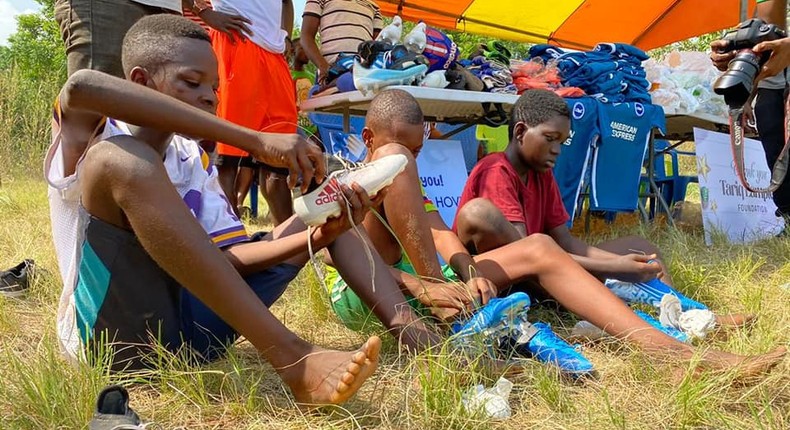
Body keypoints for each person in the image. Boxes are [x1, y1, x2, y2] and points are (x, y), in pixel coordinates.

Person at [327, 89, 786, 376]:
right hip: (376, 292)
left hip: (440, 291)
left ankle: (669, 350)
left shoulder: (420, 186)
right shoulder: (343, 185)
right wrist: (420, 286)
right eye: (397, 148)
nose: (410, 159)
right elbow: (333, 254)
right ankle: (461, 325)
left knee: (546, 247)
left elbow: (441, 233)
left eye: (416, 149)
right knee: (528, 243)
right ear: (367, 141)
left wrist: (464, 271)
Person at [46, 15, 382, 406]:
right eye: (192, 82)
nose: (210, 97)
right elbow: (81, 87)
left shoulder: (192, 159)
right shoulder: (98, 135)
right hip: (117, 343)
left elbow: (230, 260)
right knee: (121, 162)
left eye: (215, 88)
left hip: (188, 340)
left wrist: (316, 236)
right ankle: (291, 357)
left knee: (319, 210)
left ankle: (418, 334)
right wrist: (253, 140)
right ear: (140, 82)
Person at [210, 0, 296, 224]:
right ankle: (228, 237)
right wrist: (204, 13)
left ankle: (288, 244)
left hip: (275, 55)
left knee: (279, 153)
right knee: (228, 155)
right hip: (236, 42)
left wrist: (285, 35)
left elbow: (286, 3)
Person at [710, 0, 790, 226]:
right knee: (776, 156)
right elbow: (766, 37)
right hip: (772, 82)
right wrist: (739, 55)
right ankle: (787, 217)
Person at [54, 0, 251, 77]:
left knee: (160, 126)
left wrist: (201, 10)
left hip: (167, 9)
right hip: (109, 4)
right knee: (96, 111)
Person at [301, 0, 383, 80]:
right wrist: (324, 67)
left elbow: (377, 45)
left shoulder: (374, 7)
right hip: (332, 72)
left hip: (364, 72)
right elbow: (306, 36)